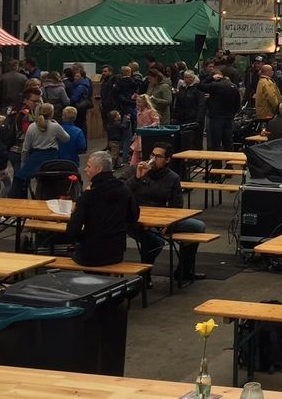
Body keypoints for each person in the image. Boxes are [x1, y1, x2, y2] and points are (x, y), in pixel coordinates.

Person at [126, 142, 207, 283]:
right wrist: (137, 179)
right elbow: (119, 191)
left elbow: (177, 205)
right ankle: (144, 275)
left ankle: (184, 270)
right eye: (152, 155)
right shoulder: (136, 170)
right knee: (154, 240)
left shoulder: (172, 178)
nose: (153, 159)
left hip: (162, 219)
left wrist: (170, 223)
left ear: (167, 160)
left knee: (197, 226)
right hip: (135, 219)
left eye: (158, 156)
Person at [66, 151, 140, 267]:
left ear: (99, 169)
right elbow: (133, 217)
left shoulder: (88, 195)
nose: (85, 169)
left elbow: (72, 230)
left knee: (69, 255)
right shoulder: (125, 190)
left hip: (91, 255)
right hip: (116, 253)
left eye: (89, 166)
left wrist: (82, 238)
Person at [198, 72, 241, 157]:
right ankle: (230, 165)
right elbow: (237, 105)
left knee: (216, 144)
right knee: (228, 143)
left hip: (216, 118)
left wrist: (211, 78)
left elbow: (200, 86)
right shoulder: (234, 87)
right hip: (229, 118)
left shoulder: (215, 86)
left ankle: (216, 166)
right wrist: (232, 114)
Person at [130, 94, 160, 165]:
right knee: (136, 151)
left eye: (140, 102)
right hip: (140, 134)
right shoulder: (138, 112)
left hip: (148, 134)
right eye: (137, 101)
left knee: (145, 151)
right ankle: (134, 166)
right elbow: (138, 124)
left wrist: (149, 127)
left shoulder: (150, 111)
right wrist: (136, 133)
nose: (137, 103)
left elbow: (156, 121)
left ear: (145, 102)